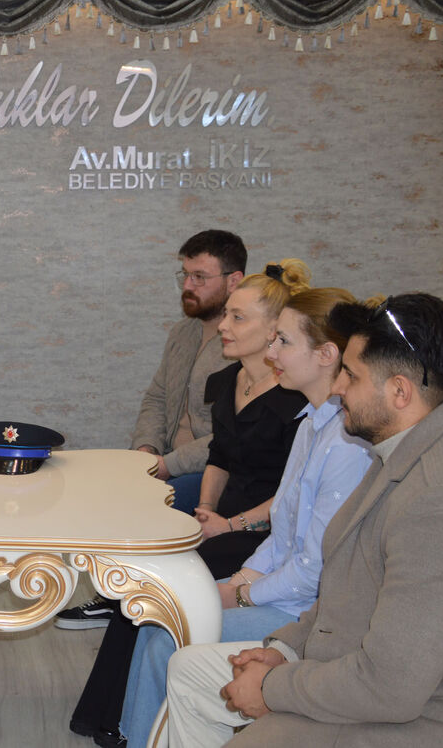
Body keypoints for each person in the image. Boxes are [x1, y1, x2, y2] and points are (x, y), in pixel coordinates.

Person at [164, 293, 443, 748]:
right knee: (189, 671)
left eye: (352, 375)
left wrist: (273, 688)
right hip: (355, 669)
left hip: (426, 720)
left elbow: (391, 688)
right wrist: (283, 649)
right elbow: (343, 589)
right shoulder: (400, 450)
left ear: (400, 391)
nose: (339, 387)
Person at [118, 287, 373, 748]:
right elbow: (282, 532)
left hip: (306, 613)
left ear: (325, 355)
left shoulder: (347, 445)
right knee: (161, 615)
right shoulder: (312, 423)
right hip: (282, 590)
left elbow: (315, 571)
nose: (272, 353)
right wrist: (238, 581)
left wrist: (242, 595)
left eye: (283, 342)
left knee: (166, 637)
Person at [70, 261, 310, 746]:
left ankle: (128, 720)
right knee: (146, 582)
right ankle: (111, 716)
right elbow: (219, 456)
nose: (223, 326)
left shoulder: (295, 403)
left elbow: (292, 496)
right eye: (227, 316)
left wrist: (229, 525)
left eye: (237, 318)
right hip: (224, 518)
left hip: (263, 531)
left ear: (273, 331)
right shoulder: (227, 382)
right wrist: (204, 510)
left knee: (162, 587)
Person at [59, 229, 246, 631]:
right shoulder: (183, 333)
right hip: (167, 460)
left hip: (214, 472)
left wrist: (166, 466)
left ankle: (123, 601)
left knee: (136, 507)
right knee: (92, 483)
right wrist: (145, 450)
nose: (188, 286)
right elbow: (157, 399)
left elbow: (230, 437)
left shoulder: (243, 346)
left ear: (234, 281)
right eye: (185, 275)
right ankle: (118, 593)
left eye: (200, 277)